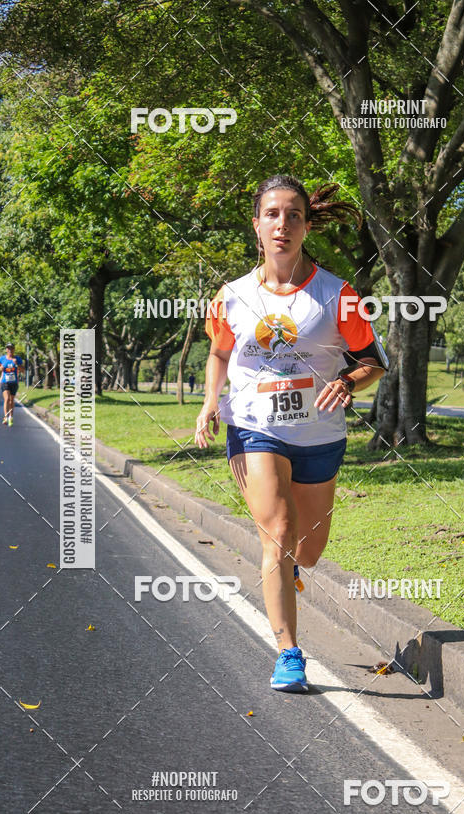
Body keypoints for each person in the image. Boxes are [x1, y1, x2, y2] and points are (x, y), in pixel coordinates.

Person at [194, 174, 386, 692]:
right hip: (255, 429)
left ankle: (292, 572)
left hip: (319, 434)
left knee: (309, 549)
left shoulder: (338, 294)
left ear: (305, 226)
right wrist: (213, 401)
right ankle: (289, 653)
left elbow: (374, 362)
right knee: (277, 533)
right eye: (272, 214)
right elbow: (218, 352)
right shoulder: (231, 295)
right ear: (256, 225)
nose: (282, 224)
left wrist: (348, 380)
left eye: (293, 215)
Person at [0, 343, 24, 426]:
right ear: (6, 350)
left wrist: (17, 364)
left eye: (11, 348)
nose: (10, 350)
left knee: (11, 400)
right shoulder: (2, 358)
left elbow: (22, 370)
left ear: (14, 349)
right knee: (7, 399)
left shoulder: (17, 359)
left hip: (14, 382)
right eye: (8, 348)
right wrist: (0, 368)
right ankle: (5, 417)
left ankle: (11, 417)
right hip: (5, 381)